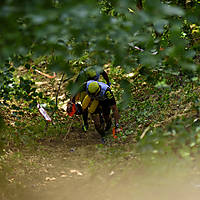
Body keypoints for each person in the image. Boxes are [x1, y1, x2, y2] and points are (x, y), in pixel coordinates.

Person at [68, 66, 111, 132]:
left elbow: (104, 74)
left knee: (98, 101)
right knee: (84, 106)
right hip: (84, 90)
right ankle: (85, 123)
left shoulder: (97, 71)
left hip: (95, 88)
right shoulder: (81, 76)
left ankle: (101, 117)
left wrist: (108, 82)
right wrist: (72, 101)